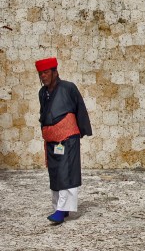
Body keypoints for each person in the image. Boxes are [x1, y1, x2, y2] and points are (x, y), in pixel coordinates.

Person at [35, 57, 92, 224]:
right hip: (52, 141)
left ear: (55, 72)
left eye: (45, 72)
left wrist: (81, 131)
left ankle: (61, 210)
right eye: (40, 73)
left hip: (68, 138)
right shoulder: (42, 93)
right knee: (55, 173)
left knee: (66, 172)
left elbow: (79, 107)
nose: (43, 76)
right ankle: (61, 208)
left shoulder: (68, 88)